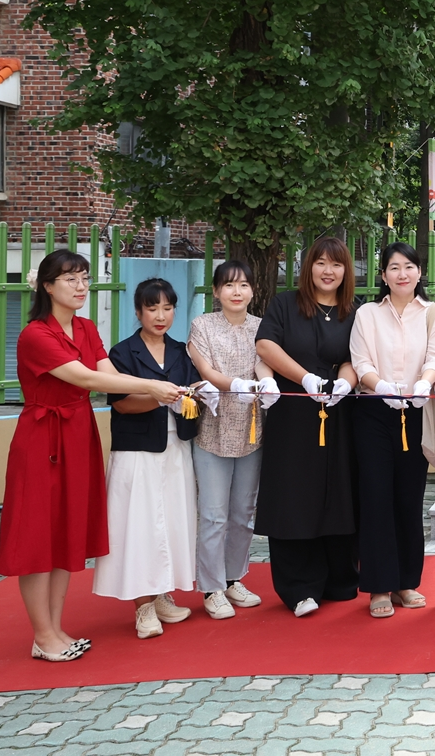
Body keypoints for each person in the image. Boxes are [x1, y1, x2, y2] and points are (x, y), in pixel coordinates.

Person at [0, 250, 184, 661]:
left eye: (84, 278)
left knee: (67, 531)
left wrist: (163, 386)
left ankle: (55, 630)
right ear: (47, 286)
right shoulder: (36, 335)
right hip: (42, 437)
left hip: (78, 434)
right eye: (71, 279)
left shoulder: (84, 327)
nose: (81, 286)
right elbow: (85, 377)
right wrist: (157, 387)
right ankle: (43, 635)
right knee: (37, 537)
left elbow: (110, 373)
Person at [93, 278, 209, 638]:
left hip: (175, 448)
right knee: (138, 526)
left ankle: (161, 594)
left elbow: (192, 398)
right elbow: (122, 403)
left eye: (167, 308)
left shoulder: (180, 352)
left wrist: (194, 397)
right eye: (152, 308)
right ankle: (141, 606)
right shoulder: (123, 353)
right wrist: (160, 397)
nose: (161, 316)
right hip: (136, 451)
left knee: (172, 522)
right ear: (139, 311)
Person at [253, 238, 359, 617]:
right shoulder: (285, 304)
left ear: (347, 270)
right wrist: (304, 378)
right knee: (294, 495)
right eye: (320, 263)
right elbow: (266, 346)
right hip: (294, 413)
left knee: (337, 493)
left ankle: (339, 579)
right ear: (308, 267)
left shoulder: (353, 311)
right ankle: (299, 587)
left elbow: (355, 357)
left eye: (336, 264)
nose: (328, 271)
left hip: (339, 413)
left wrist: (345, 382)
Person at [350, 241, 435, 618]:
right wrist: (380, 386)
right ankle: (378, 586)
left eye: (409, 266)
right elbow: (360, 360)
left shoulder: (434, 313)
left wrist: (424, 383)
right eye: (394, 267)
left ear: (419, 272)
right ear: (383, 275)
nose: (402, 273)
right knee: (376, 497)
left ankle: (406, 582)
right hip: (374, 411)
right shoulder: (367, 315)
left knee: (409, 498)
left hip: (417, 409)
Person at [186, 259, 281, 620]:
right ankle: (210, 587)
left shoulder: (261, 326)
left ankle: (233, 577)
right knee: (213, 514)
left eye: (243, 285)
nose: (236, 292)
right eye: (228, 285)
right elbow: (205, 369)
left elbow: (263, 361)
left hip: (252, 429)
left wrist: (265, 380)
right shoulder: (202, 326)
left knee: (243, 513)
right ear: (216, 291)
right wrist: (237, 385)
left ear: (253, 291)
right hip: (212, 429)